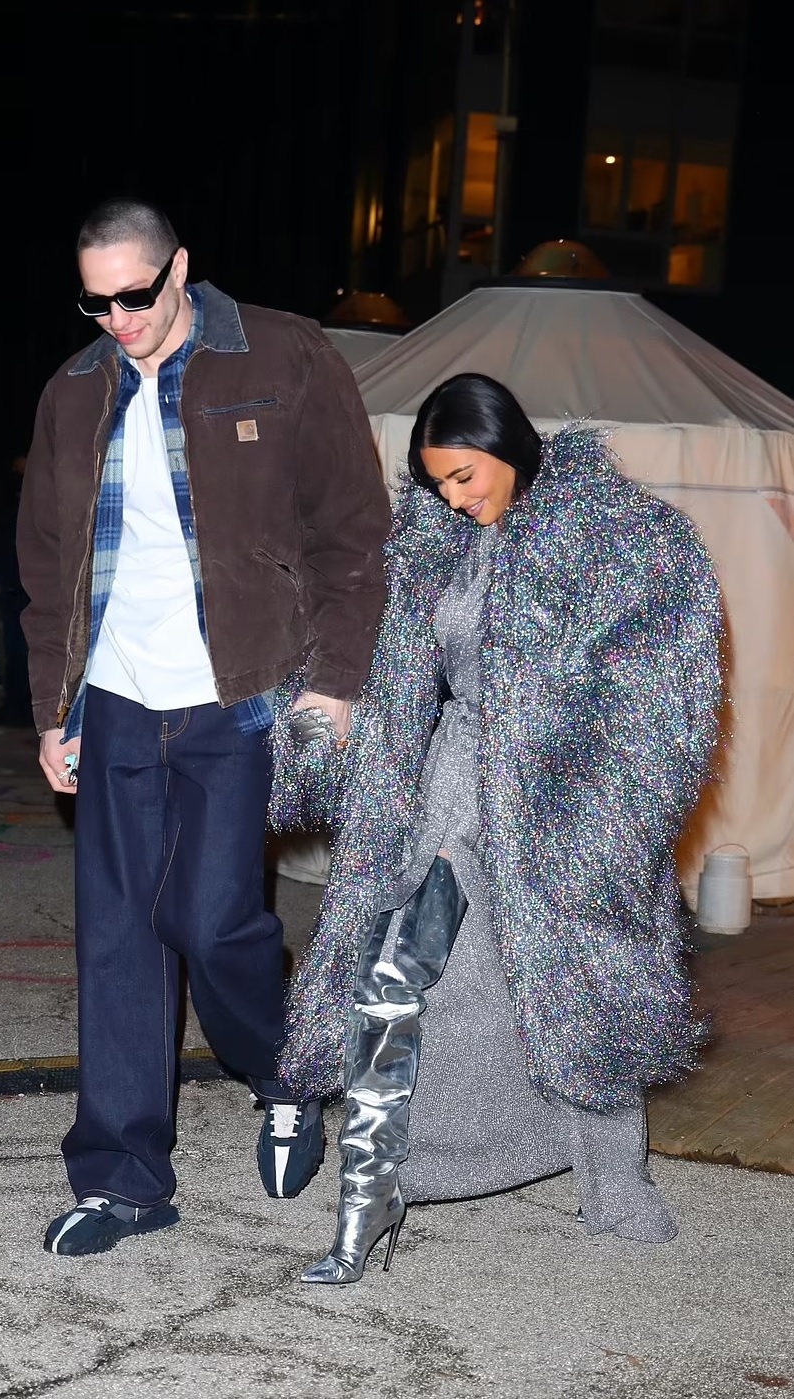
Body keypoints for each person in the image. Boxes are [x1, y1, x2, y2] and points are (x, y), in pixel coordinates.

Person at [268, 373, 723, 1285]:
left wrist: (603, 812)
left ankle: (612, 1179)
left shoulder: (622, 539)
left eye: (464, 475)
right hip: (452, 788)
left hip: (562, 806)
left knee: (574, 989)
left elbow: (664, 701)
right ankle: (371, 1195)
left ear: (507, 446)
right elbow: (376, 662)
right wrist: (317, 722)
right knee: (392, 975)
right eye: (437, 481)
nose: (452, 497)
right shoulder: (431, 547)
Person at [17, 197, 390, 1256]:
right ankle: (122, 1179)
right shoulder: (74, 390)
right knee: (117, 939)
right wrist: (52, 706)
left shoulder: (283, 353)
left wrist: (337, 682)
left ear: (180, 267)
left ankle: (288, 1071)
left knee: (214, 919)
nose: (119, 318)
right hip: (115, 698)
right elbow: (45, 564)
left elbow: (353, 532)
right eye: (97, 302)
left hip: (244, 694)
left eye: (136, 294)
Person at [0, 454, 33, 728]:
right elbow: (2, 543)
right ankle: (15, 703)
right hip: (14, 585)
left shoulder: (36, 499)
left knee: (22, 651)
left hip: (28, 587)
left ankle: (21, 706)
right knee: (13, 651)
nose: (18, 470)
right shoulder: (11, 501)